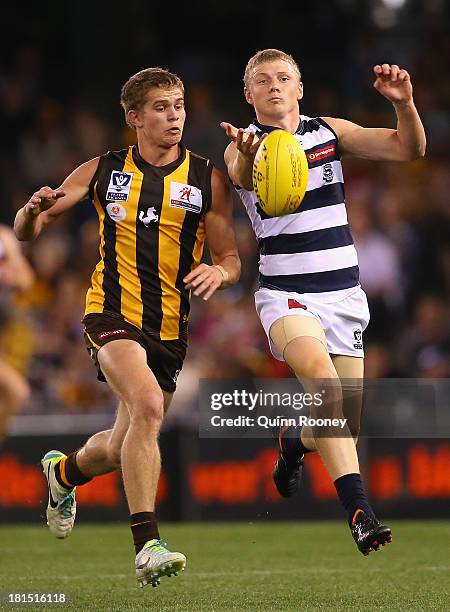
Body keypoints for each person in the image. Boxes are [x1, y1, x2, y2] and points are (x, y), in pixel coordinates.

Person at [14, 67, 241, 588]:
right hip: (110, 313)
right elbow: (32, 229)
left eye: (179, 105)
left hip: (168, 329)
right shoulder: (103, 170)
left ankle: (64, 473)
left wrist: (220, 271)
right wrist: (30, 213)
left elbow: (229, 257)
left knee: (124, 447)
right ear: (135, 118)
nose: (175, 115)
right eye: (162, 107)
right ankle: (147, 545)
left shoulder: (206, 178)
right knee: (148, 406)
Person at [221, 49, 425, 555]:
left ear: (299, 87)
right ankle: (360, 513)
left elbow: (409, 149)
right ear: (249, 95)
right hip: (286, 295)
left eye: (284, 77)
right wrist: (246, 153)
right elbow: (242, 175)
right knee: (325, 387)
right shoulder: (245, 146)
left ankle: (295, 443)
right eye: (262, 81)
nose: (274, 86)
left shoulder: (328, 132)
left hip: (344, 296)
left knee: (344, 420)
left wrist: (405, 104)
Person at [0, 224, 34, 446]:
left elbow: (25, 281)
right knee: (17, 391)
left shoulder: (3, 237)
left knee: (14, 394)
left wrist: (11, 259)